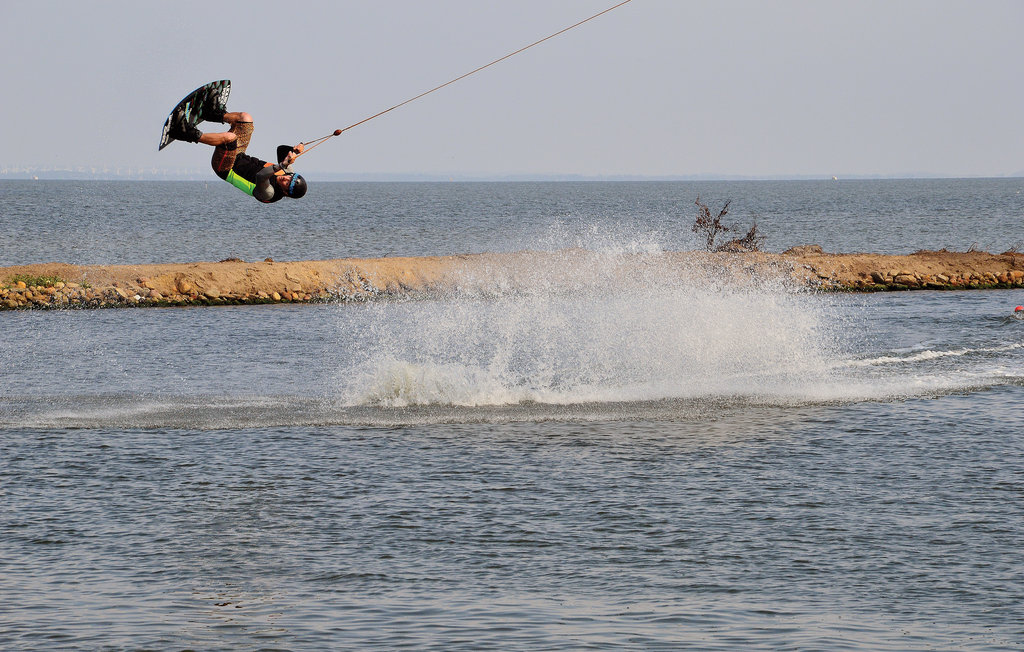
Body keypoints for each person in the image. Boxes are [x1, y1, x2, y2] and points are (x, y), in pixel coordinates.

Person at [170, 108, 307, 203]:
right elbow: (281, 149)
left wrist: (283, 164)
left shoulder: (270, 194)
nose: (285, 178)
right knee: (246, 118)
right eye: (289, 177)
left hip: (226, 168)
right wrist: (294, 150)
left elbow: (261, 176)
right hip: (239, 154)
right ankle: (212, 113)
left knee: (229, 138)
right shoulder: (287, 172)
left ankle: (184, 133)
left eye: (287, 184)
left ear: (286, 193)